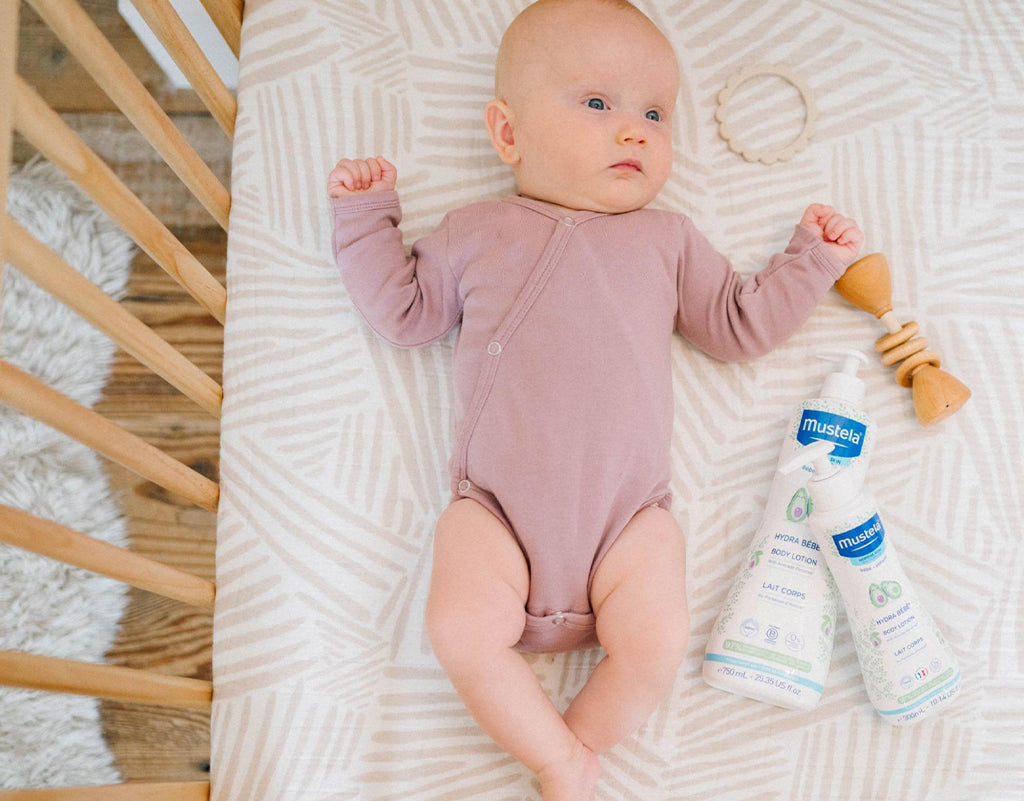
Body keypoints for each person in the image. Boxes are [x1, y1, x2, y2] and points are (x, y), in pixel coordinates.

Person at [326, 1, 863, 798]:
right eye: (599, 104)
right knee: (456, 627)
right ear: (508, 134)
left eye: (655, 112)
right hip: (495, 517)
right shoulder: (478, 229)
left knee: (659, 639)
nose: (636, 130)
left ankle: (569, 749)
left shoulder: (666, 240)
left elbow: (739, 324)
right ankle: (559, 762)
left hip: (628, 524)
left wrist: (810, 260)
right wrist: (366, 218)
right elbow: (404, 314)